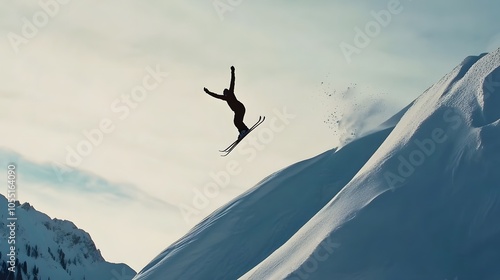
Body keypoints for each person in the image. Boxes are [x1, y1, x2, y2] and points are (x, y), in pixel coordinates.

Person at [204, 66, 250, 139]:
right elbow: (216, 95)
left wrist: (232, 71)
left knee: (237, 121)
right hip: (238, 110)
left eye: (226, 93)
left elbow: (232, 81)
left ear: (228, 92)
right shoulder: (225, 98)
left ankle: (244, 130)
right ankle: (243, 131)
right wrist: (208, 92)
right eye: (224, 93)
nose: (225, 94)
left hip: (240, 108)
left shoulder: (230, 93)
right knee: (236, 122)